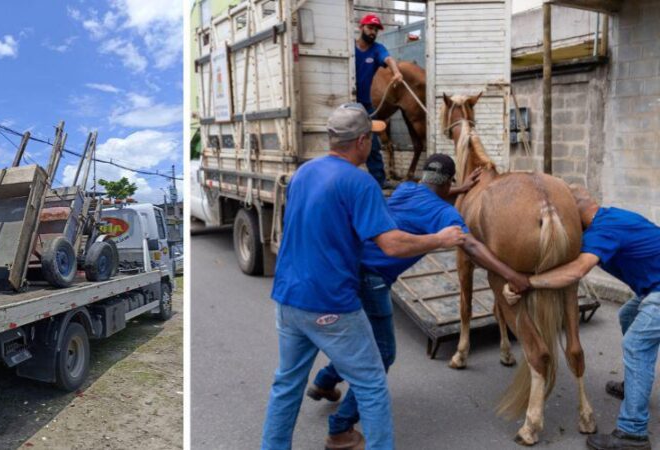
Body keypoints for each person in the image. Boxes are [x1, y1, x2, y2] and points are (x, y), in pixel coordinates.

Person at [261, 103, 466, 450]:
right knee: (371, 382)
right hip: (331, 304)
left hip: (287, 298)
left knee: (287, 384)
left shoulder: (304, 173)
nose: (372, 143)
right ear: (360, 142)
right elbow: (392, 244)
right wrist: (441, 239)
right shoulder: (361, 182)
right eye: (370, 137)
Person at [307, 154, 531, 449]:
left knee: (362, 338)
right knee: (383, 353)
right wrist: (512, 274)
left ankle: (324, 381)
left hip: (349, 269)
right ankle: (341, 427)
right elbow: (472, 245)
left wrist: (460, 188)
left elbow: (437, 189)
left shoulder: (405, 189)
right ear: (447, 182)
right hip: (372, 281)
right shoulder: (444, 215)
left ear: (425, 177)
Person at [504, 185, 660, 450]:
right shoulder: (609, 218)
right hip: (651, 289)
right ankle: (635, 386)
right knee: (628, 316)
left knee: (636, 344)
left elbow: (576, 271)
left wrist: (527, 282)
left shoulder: (603, 230)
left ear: (576, 212)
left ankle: (633, 433)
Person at [355, 13, 402, 189]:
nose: (373, 32)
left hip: (365, 105)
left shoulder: (377, 49)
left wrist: (396, 72)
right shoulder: (349, 47)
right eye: (370, 28)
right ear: (362, 28)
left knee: (372, 144)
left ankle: (379, 181)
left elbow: (388, 58)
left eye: (376, 29)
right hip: (348, 103)